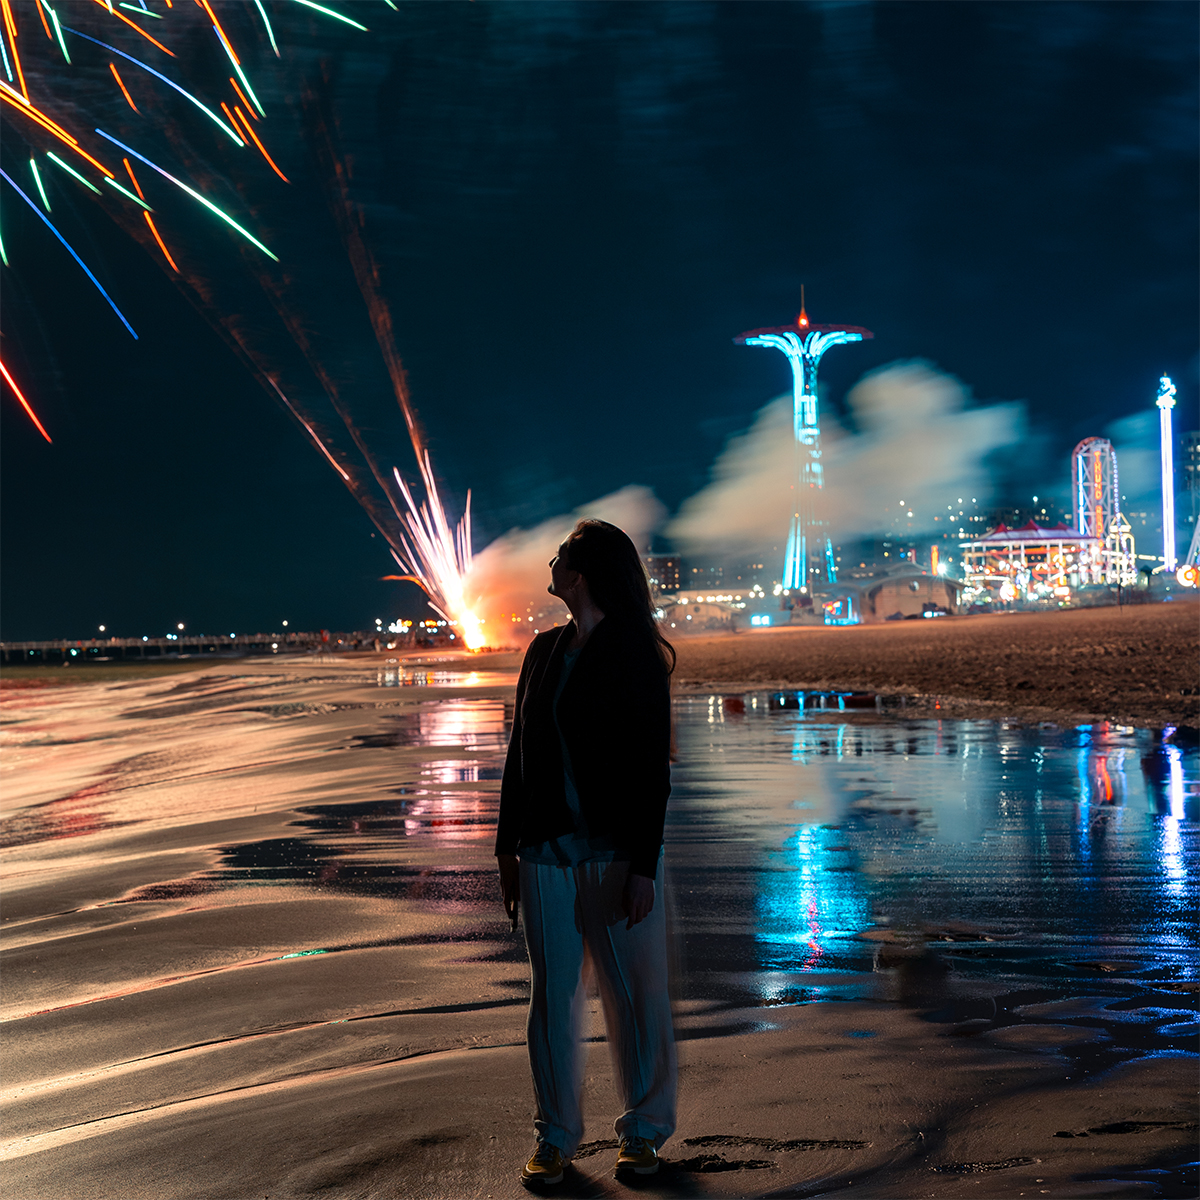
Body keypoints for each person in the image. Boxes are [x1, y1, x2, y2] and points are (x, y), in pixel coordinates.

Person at [496, 519, 676, 1187]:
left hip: (614, 850)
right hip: (544, 848)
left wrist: (644, 865)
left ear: (584, 573)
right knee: (552, 997)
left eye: (562, 555)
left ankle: (645, 1130)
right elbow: (519, 759)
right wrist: (506, 850)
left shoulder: (634, 653)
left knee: (635, 996)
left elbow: (652, 770)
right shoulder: (541, 651)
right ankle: (555, 1136)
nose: (551, 561)